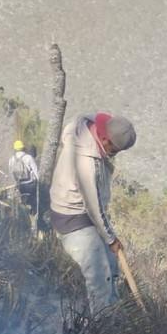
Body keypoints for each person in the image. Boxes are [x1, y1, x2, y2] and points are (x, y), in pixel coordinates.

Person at [48, 112, 135, 314]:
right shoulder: (85, 162)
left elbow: (94, 116)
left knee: (112, 264)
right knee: (99, 274)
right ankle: (103, 325)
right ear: (104, 139)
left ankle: (114, 310)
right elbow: (93, 207)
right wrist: (111, 239)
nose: (115, 154)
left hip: (86, 215)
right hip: (72, 217)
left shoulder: (90, 126)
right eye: (114, 149)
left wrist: (110, 240)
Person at [8, 138, 42, 228]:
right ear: (23, 148)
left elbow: (11, 174)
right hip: (31, 185)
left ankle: (25, 221)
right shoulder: (28, 158)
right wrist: (41, 183)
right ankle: (34, 221)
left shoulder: (11, 159)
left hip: (20, 186)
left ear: (15, 149)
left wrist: (17, 184)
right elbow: (36, 172)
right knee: (34, 203)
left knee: (24, 203)